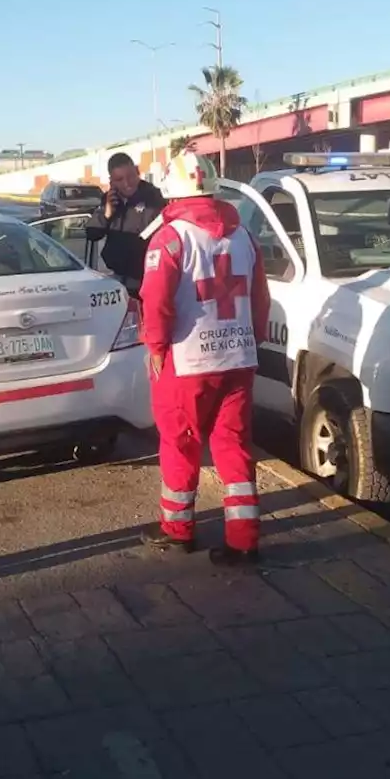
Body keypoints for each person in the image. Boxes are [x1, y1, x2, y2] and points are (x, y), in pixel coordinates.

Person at [138, 151, 271, 566]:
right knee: (233, 445)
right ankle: (244, 539)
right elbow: (261, 297)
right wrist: (254, 339)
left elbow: (155, 301)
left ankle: (178, 530)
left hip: (186, 360)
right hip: (238, 356)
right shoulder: (244, 235)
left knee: (180, 442)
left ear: (171, 191)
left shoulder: (171, 237)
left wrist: (156, 348)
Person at [85, 152, 166, 296]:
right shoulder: (110, 199)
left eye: (130, 177)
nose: (127, 183)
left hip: (147, 279)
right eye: (119, 179)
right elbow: (92, 234)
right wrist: (107, 214)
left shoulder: (153, 197)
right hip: (117, 280)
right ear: (112, 181)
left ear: (137, 172)